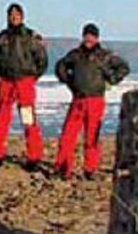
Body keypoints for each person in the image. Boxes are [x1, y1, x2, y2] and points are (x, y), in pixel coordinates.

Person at [54, 23, 130, 180]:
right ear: (83, 37)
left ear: (97, 38)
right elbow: (60, 66)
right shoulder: (75, 55)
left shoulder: (104, 55)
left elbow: (124, 67)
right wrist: (68, 80)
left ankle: (90, 169)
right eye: (87, 35)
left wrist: (112, 79)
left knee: (92, 136)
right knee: (68, 134)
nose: (89, 39)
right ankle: (63, 167)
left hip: (96, 100)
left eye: (92, 36)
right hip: (78, 100)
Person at [0, 2, 48, 171]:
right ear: (8, 17)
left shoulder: (30, 36)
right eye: (11, 15)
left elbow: (42, 59)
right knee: (1, 118)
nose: (14, 17)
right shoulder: (1, 37)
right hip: (6, 81)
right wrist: (1, 72)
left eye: (17, 15)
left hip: (24, 81)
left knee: (28, 118)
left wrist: (32, 76)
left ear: (22, 17)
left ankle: (34, 157)